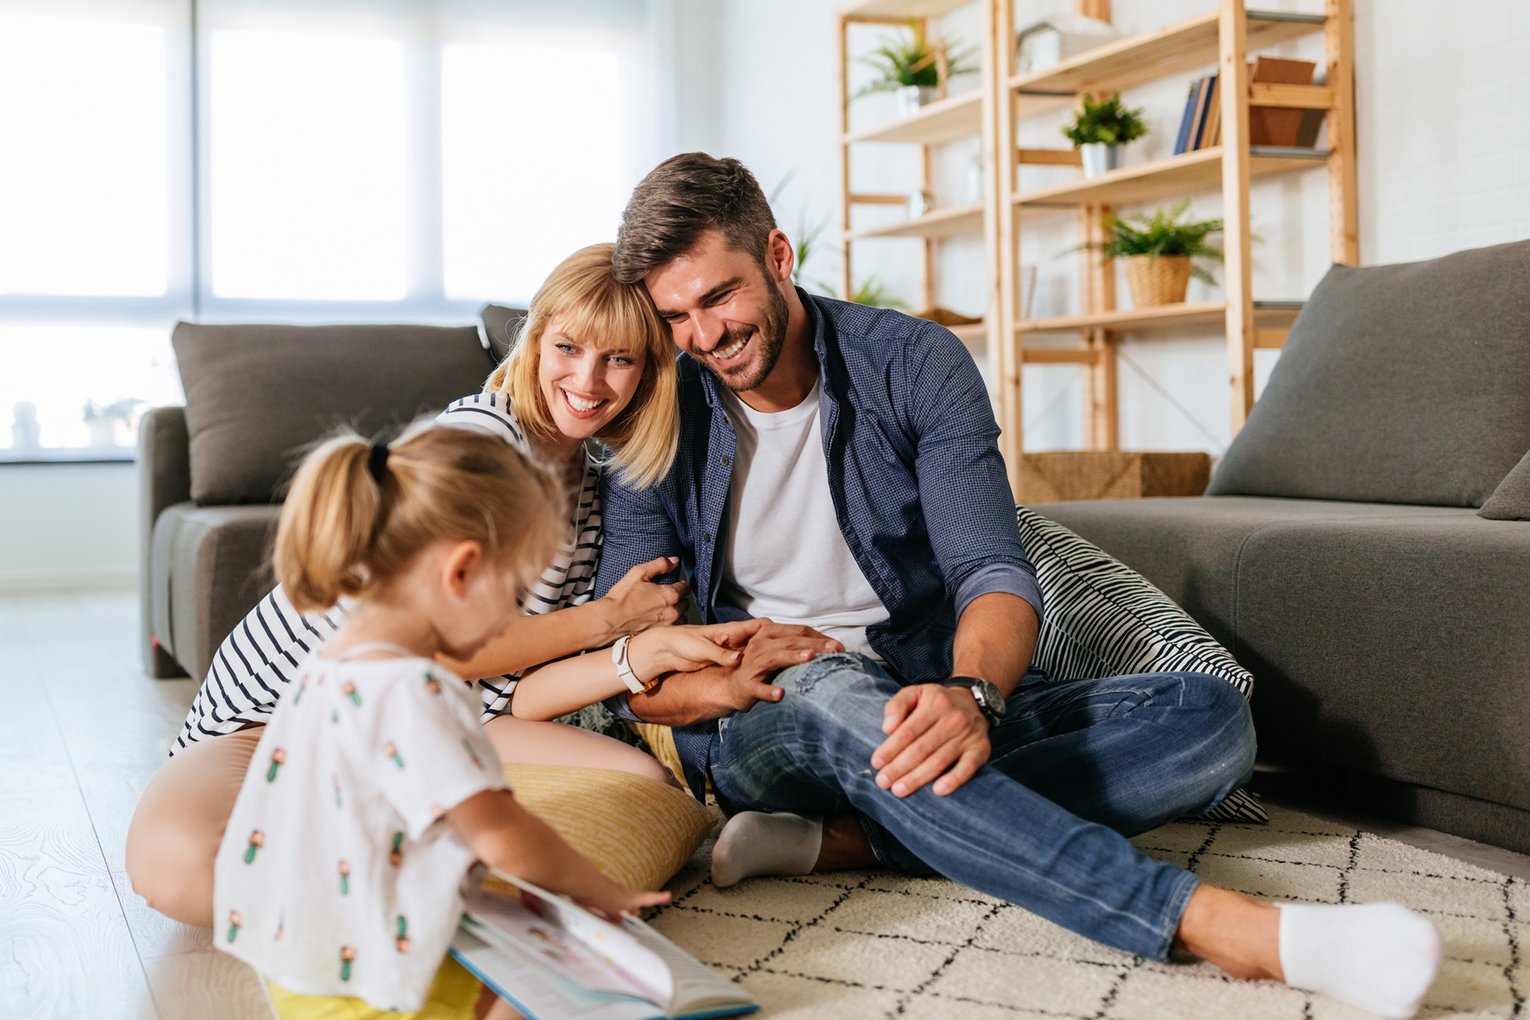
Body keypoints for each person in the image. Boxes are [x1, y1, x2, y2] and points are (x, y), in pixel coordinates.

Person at [592, 153, 1442, 1020]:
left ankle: (855, 841)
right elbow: (631, 674)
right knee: (840, 689)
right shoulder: (660, 404)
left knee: (1211, 721)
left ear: (777, 257)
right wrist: (726, 683)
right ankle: (1227, 927)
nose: (702, 336)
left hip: (922, 687)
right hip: (769, 714)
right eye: (676, 315)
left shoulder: (912, 361)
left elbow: (990, 570)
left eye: (719, 297)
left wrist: (971, 693)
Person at [128, 243, 715, 928]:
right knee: (190, 865)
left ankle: (432, 889)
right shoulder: (481, 439)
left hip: (433, 717)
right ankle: (406, 891)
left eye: (619, 359)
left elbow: (508, 688)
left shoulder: (591, 490)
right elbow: (448, 647)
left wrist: (633, 659)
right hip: (272, 724)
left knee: (648, 793)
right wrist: (609, 621)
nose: (589, 378)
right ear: (533, 341)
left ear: (647, 374)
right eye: (568, 347)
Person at [214, 420, 692, 1018]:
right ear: (462, 571)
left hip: (298, 967)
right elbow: (503, 834)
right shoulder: (417, 689)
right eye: (516, 593)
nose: (514, 619)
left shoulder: (329, 666)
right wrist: (601, 892)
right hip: (381, 979)